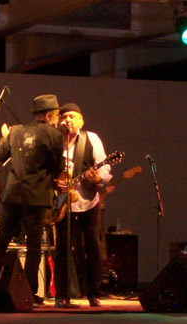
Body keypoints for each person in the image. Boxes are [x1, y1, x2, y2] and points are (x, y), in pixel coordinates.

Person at [0, 94, 65, 306]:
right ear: (49, 115)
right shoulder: (54, 135)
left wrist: (5, 137)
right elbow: (57, 167)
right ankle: (29, 292)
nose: (58, 119)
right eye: (57, 115)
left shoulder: (14, 131)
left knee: (2, 242)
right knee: (34, 246)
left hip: (13, 194)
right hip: (36, 195)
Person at [53, 103, 112, 308]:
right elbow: (45, 169)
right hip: (61, 200)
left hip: (87, 199)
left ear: (81, 120)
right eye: (64, 116)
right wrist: (54, 182)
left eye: (72, 116)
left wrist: (97, 179)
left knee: (92, 247)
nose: (67, 120)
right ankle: (62, 295)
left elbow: (104, 167)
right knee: (61, 248)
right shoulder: (55, 141)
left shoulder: (91, 138)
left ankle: (94, 293)